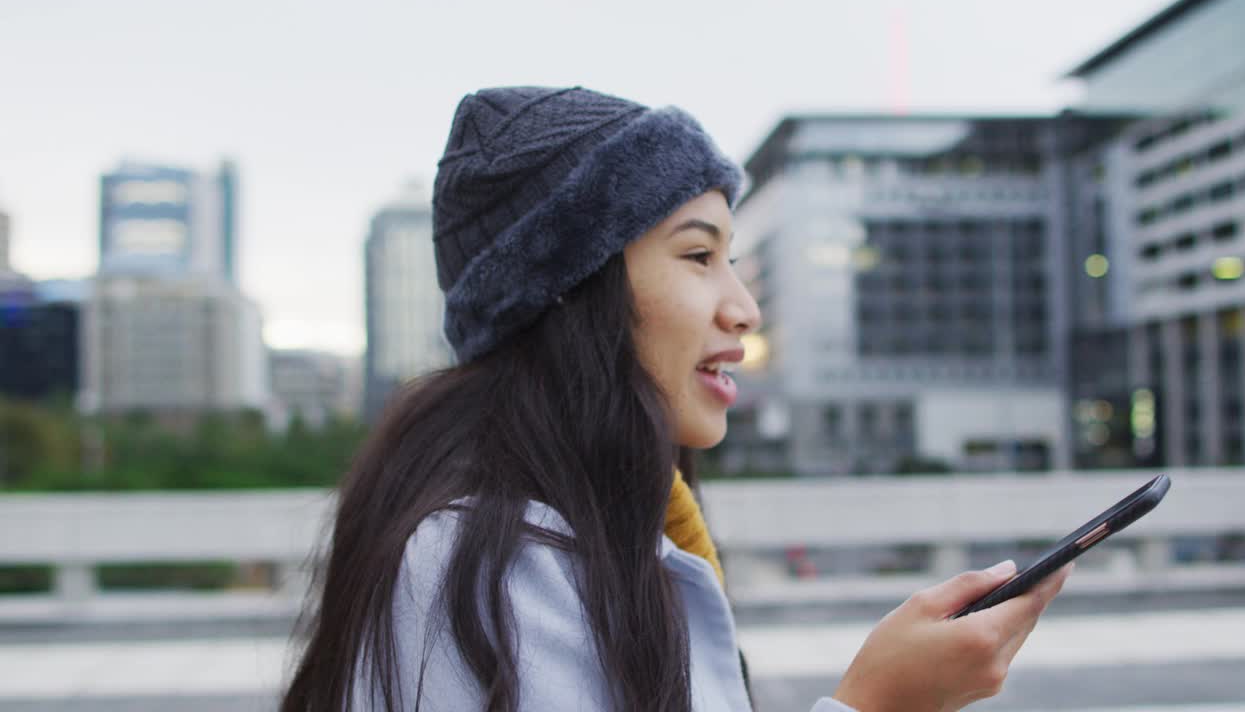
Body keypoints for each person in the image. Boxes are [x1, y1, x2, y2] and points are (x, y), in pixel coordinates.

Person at [282, 85, 1072, 712]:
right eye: (698, 255)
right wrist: (879, 706)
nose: (744, 308)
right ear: (568, 287)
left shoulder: (616, 526)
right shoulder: (475, 566)